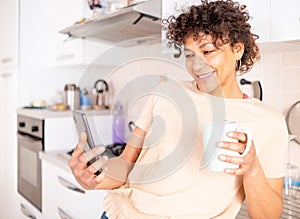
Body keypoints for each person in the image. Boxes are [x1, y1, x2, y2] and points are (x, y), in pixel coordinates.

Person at [69, 0, 288, 218]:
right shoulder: (165, 93)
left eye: (208, 51)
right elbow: (126, 163)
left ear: (237, 49)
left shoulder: (269, 122)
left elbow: (268, 215)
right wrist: (93, 178)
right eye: (190, 55)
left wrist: (252, 169)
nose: (197, 65)